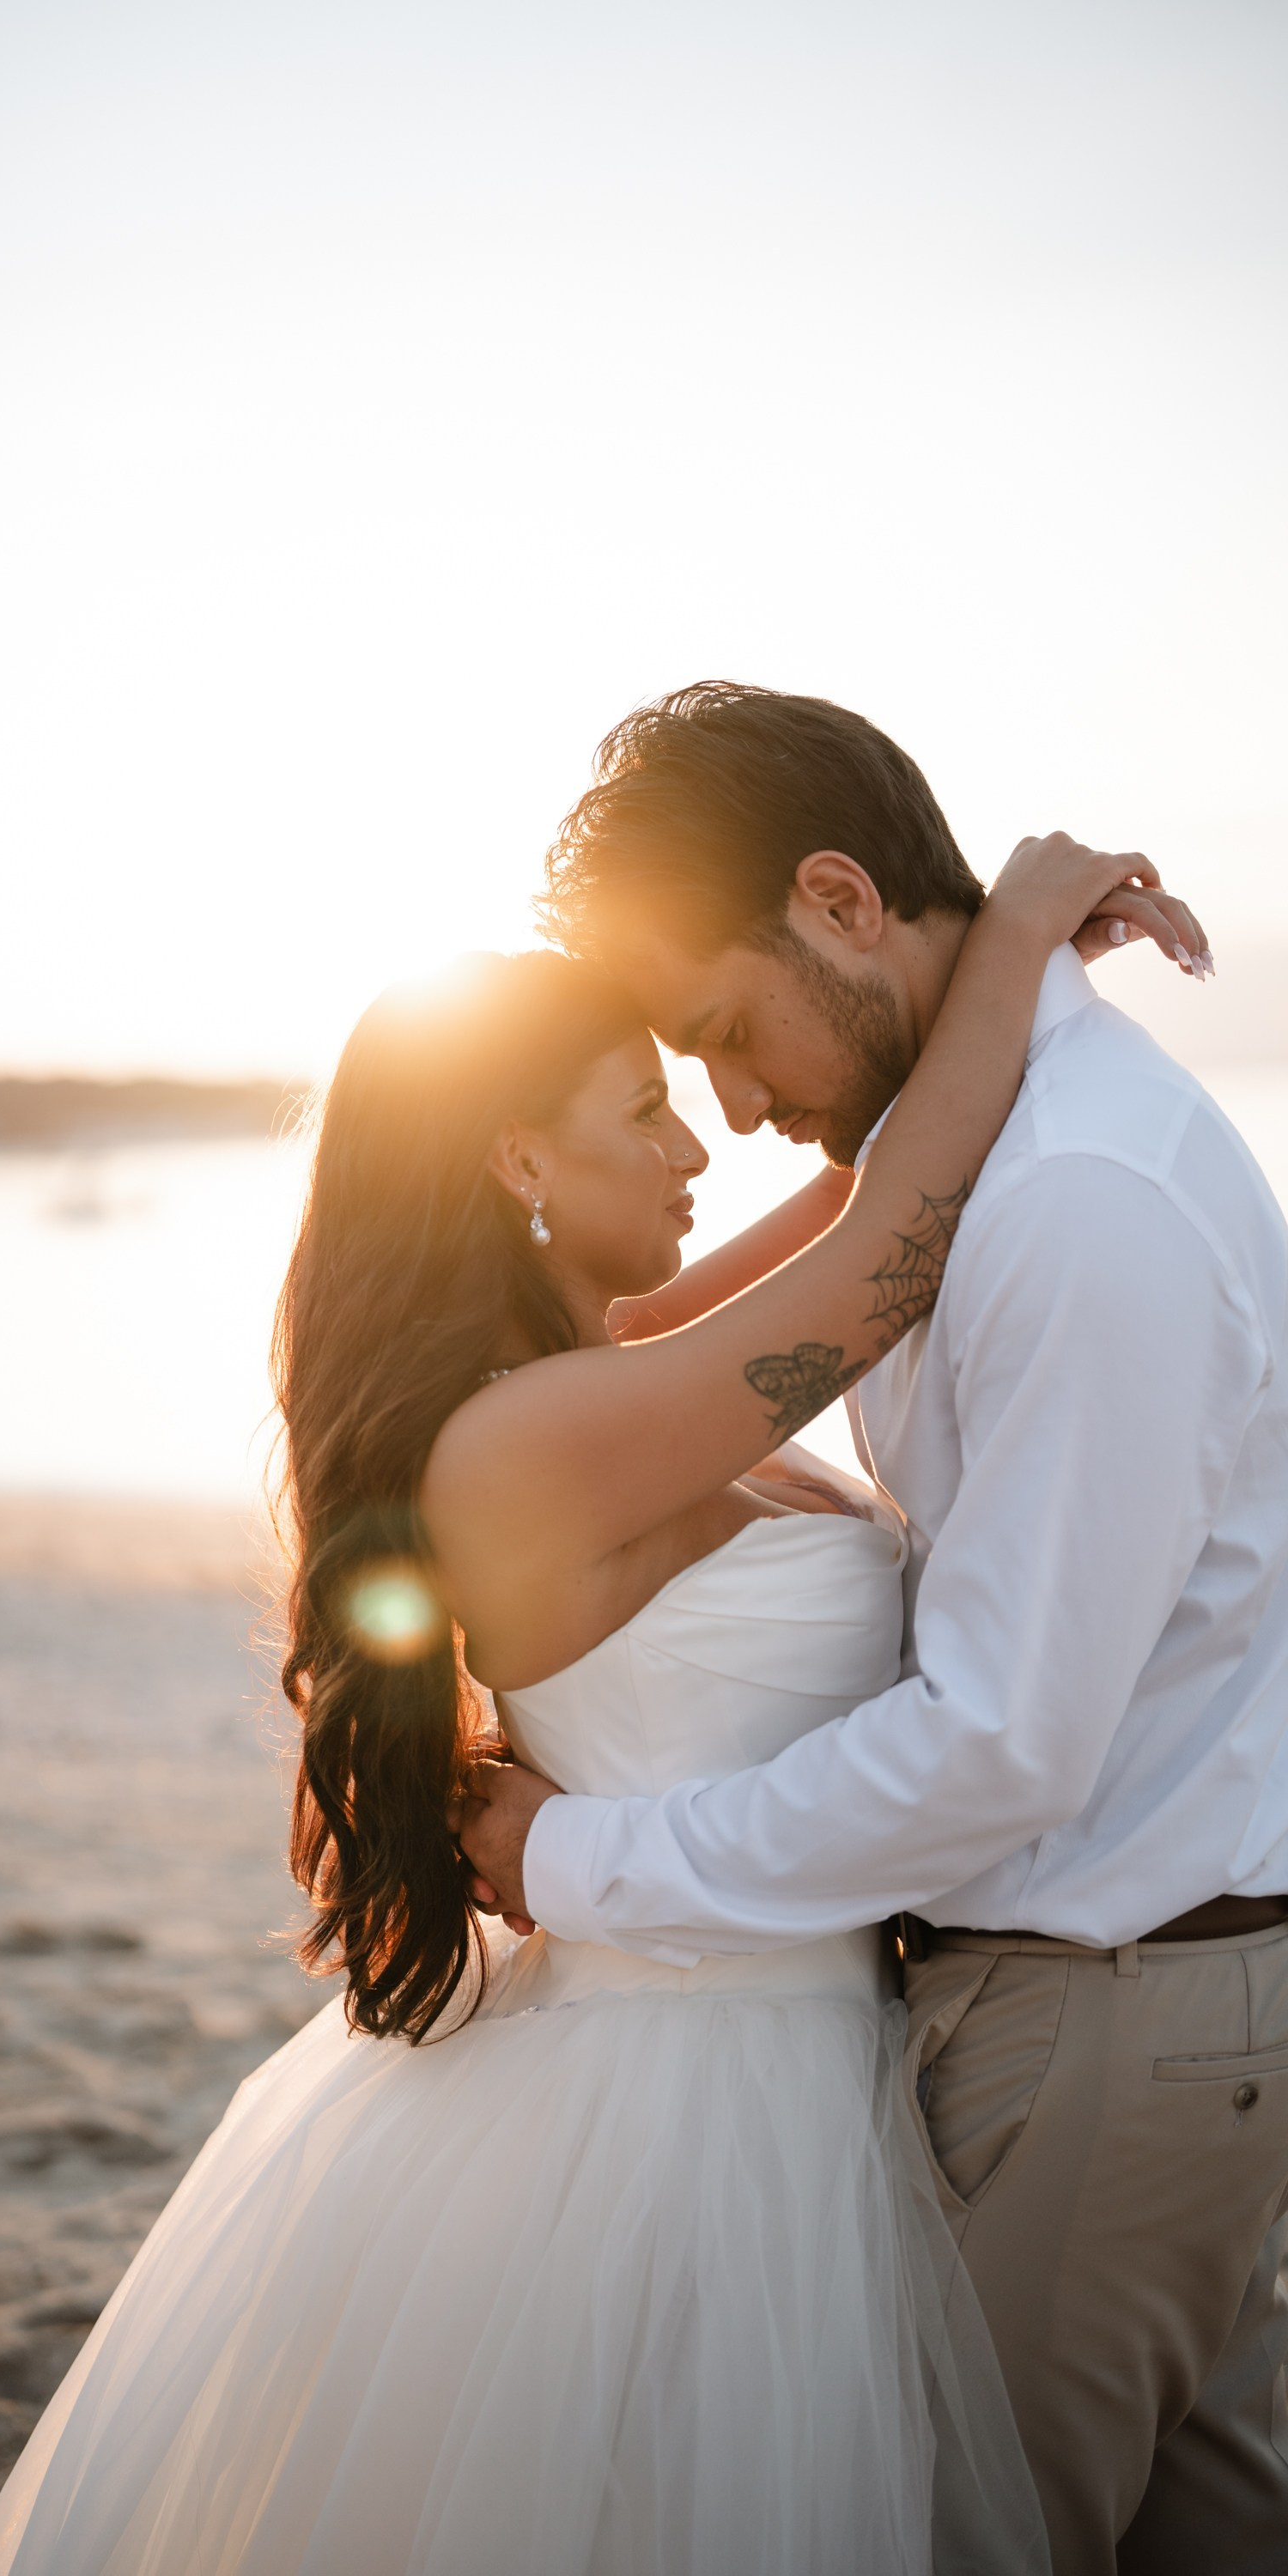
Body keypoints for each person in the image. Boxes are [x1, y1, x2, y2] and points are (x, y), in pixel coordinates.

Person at [0, 831, 1174, 2576]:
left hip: (785, 2035)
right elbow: (893, 1246)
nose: (700, 1143)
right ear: (516, 1153)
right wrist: (1023, 925)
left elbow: (865, 1189)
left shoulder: (607, 1370)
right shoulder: (531, 1440)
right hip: (705, 2100)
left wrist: (1003, 996)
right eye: (642, 1114)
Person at [458, 682, 1288, 2576]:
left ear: (838, 900)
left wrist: (580, 1856)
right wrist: (1005, 941)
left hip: (1108, 2019)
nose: (732, 1109)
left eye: (721, 1035)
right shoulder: (982, 1153)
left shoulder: (1073, 1203)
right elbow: (843, 1244)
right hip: (1140, 2013)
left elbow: (999, 1744)